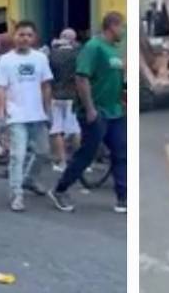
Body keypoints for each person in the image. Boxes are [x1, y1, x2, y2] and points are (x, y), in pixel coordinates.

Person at [49, 12, 127, 214]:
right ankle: (60, 189)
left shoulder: (114, 50)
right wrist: (90, 108)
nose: (124, 31)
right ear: (112, 26)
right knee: (87, 153)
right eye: (122, 27)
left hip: (115, 111)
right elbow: (82, 78)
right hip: (96, 111)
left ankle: (123, 197)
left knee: (121, 152)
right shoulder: (93, 47)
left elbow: (116, 79)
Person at [0, 21, 53, 212]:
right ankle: (16, 193)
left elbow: (46, 86)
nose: (25, 38)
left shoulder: (40, 58)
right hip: (16, 116)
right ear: (14, 36)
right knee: (17, 156)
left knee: (43, 152)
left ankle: (30, 179)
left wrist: (47, 111)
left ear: (34, 38)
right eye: (21, 34)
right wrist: (0, 116)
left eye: (28, 35)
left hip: (37, 115)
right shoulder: (6, 61)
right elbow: (0, 89)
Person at [48, 28, 82, 172]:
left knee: (57, 130)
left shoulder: (52, 54)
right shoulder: (78, 54)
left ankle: (62, 162)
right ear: (73, 39)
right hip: (73, 96)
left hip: (55, 96)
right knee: (74, 129)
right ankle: (80, 161)